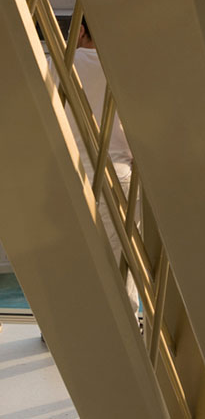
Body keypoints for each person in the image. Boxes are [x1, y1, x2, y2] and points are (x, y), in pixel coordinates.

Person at [53, 16, 140, 315]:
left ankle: (65, 327)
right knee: (122, 260)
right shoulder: (123, 67)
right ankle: (129, 330)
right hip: (119, 173)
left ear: (81, 30)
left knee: (72, 254)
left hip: (73, 170)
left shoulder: (60, 65)